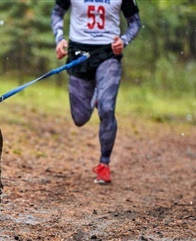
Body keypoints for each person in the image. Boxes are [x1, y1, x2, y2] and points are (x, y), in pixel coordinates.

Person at [51, 0, 141, 184]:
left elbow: (135, 22)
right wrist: (59, 38)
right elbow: (57, 13)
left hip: (108, 55)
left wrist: (124, 40)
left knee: (107, 108)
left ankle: (104, 164)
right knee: (80, 118)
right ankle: (96, 95)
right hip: (78, 54)